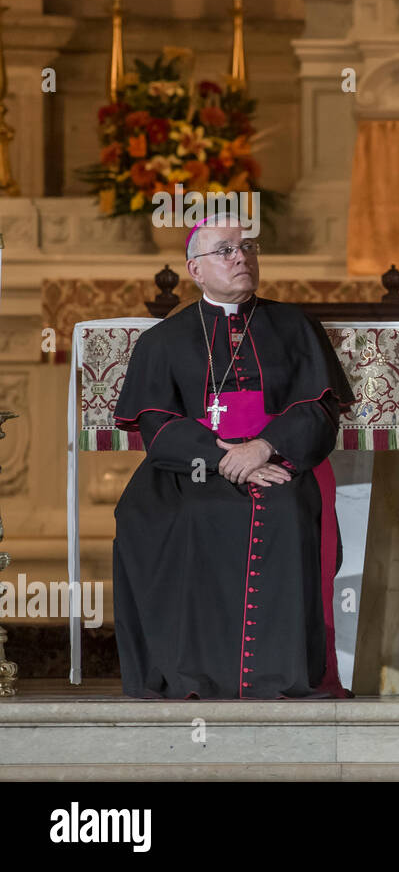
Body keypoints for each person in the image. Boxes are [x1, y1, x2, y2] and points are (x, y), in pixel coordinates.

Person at [112, 216, 355, 699]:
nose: (241, 257)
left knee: (287, 508)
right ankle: (193, 674)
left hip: (279, 460)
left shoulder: (294, 325)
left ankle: (282, 676)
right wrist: (225, 459)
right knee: (167, 516)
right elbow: (157, 426)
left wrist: (264, 447)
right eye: (224, 250)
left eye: (247, 248)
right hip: (191, 469)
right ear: (194, 270)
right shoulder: (164, 339)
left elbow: (320, 409)